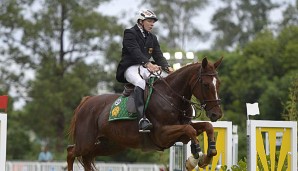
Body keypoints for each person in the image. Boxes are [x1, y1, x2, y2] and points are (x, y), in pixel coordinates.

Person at [116, 9, 174, 133]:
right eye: (149, 21)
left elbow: (158, 55)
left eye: (153, 22)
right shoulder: (130, 33)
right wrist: (148, 64)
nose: (152, 24)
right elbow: (135, 52)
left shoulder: (153, 37)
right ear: (141, 21)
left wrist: (168, 68)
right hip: (129, 67)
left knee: (164, 81)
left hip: (145, 67)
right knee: (140, 83)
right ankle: (142, 119)